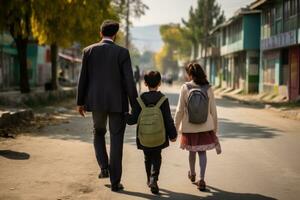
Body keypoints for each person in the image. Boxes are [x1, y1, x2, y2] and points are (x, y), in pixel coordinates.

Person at [76, 20, 138, 192]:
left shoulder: (88, 51)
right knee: (116, 140)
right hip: (118, 103)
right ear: (115, 35)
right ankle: (115, 182)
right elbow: (129, 81)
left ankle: (104, 167)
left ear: (100, 33)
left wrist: (80, 102)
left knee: (98, 132)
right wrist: (136, 105)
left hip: (96, 102)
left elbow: (83, 78)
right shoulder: (122, 52)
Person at [126, 71, 177, 194]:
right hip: (159, 135)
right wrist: (173, 135)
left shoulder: (141, 99)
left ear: (145, 83)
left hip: (144, 136)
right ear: (159, 83)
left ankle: (149, 179)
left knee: (147, 157)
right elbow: (167, 119)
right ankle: (154, 178)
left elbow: (132, 120)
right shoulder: (163, 99)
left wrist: (123, 115)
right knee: (157, 156)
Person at [174, 63, 221, 191]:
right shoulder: (208, 88)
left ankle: (192, 173)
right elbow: (213, 112)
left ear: (190, 74)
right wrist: (214, 130)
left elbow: (179, 110)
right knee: (202, 152)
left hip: (190, 127)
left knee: (192, 152)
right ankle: (202, 178)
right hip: (205, 127)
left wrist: (175, 127)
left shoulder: (185, 87)